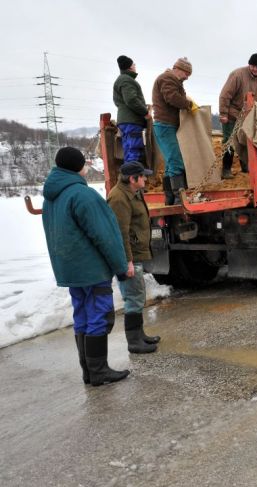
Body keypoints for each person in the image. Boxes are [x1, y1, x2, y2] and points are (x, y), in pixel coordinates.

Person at [42, 147, 130, 386]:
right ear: (77, 167)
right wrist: (121, 267)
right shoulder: (83, 195)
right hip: (91, 269)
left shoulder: (52, 195)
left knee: (81, 315)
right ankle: (99, 371)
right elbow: (105, 235)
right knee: (99, 315)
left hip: (70, 269)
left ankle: (89, 372)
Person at [107, 162, 161, 354]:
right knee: (133, 298)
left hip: (135, 254)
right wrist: (126, 261)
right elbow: (120, 234)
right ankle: (133, 342)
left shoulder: (133, 192)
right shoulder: (119, 198)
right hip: (129, 257)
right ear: (133, 178)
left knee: (138, 295)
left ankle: (140, 335)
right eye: (143, 176)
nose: (146, 179)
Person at [219, 53, 257, 179]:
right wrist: (223, 113)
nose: (255, 69)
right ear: (249, 64)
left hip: (250, 118)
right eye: (253, 66)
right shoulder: (237, 75)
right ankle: (226, 169)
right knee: (229, 141)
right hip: (232, 114)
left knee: (247, 142)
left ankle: (245, 166)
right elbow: (225, 95)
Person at [152, 57, 194, 205]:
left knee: (170, 164)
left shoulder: (172, 80)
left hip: (167, 125)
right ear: (179, 69)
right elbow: (172, 98)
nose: (187, 77)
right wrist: (188, 104)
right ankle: (178, 199)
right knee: (176, 161)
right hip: (165, 125)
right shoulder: (167, 78)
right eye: (186, 73)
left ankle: (169, 198)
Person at [113, 55, 149, 164]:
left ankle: (129, 177)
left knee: (129, 150)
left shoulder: (120, 80)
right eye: (133, 64)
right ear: (130, 67)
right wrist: (145, 112)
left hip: (125, 121)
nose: (135, 66)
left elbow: (117, 101)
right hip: (132, 121)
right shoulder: (127, 80)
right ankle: (133, 177)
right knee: (134, 149)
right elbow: (131, 100)